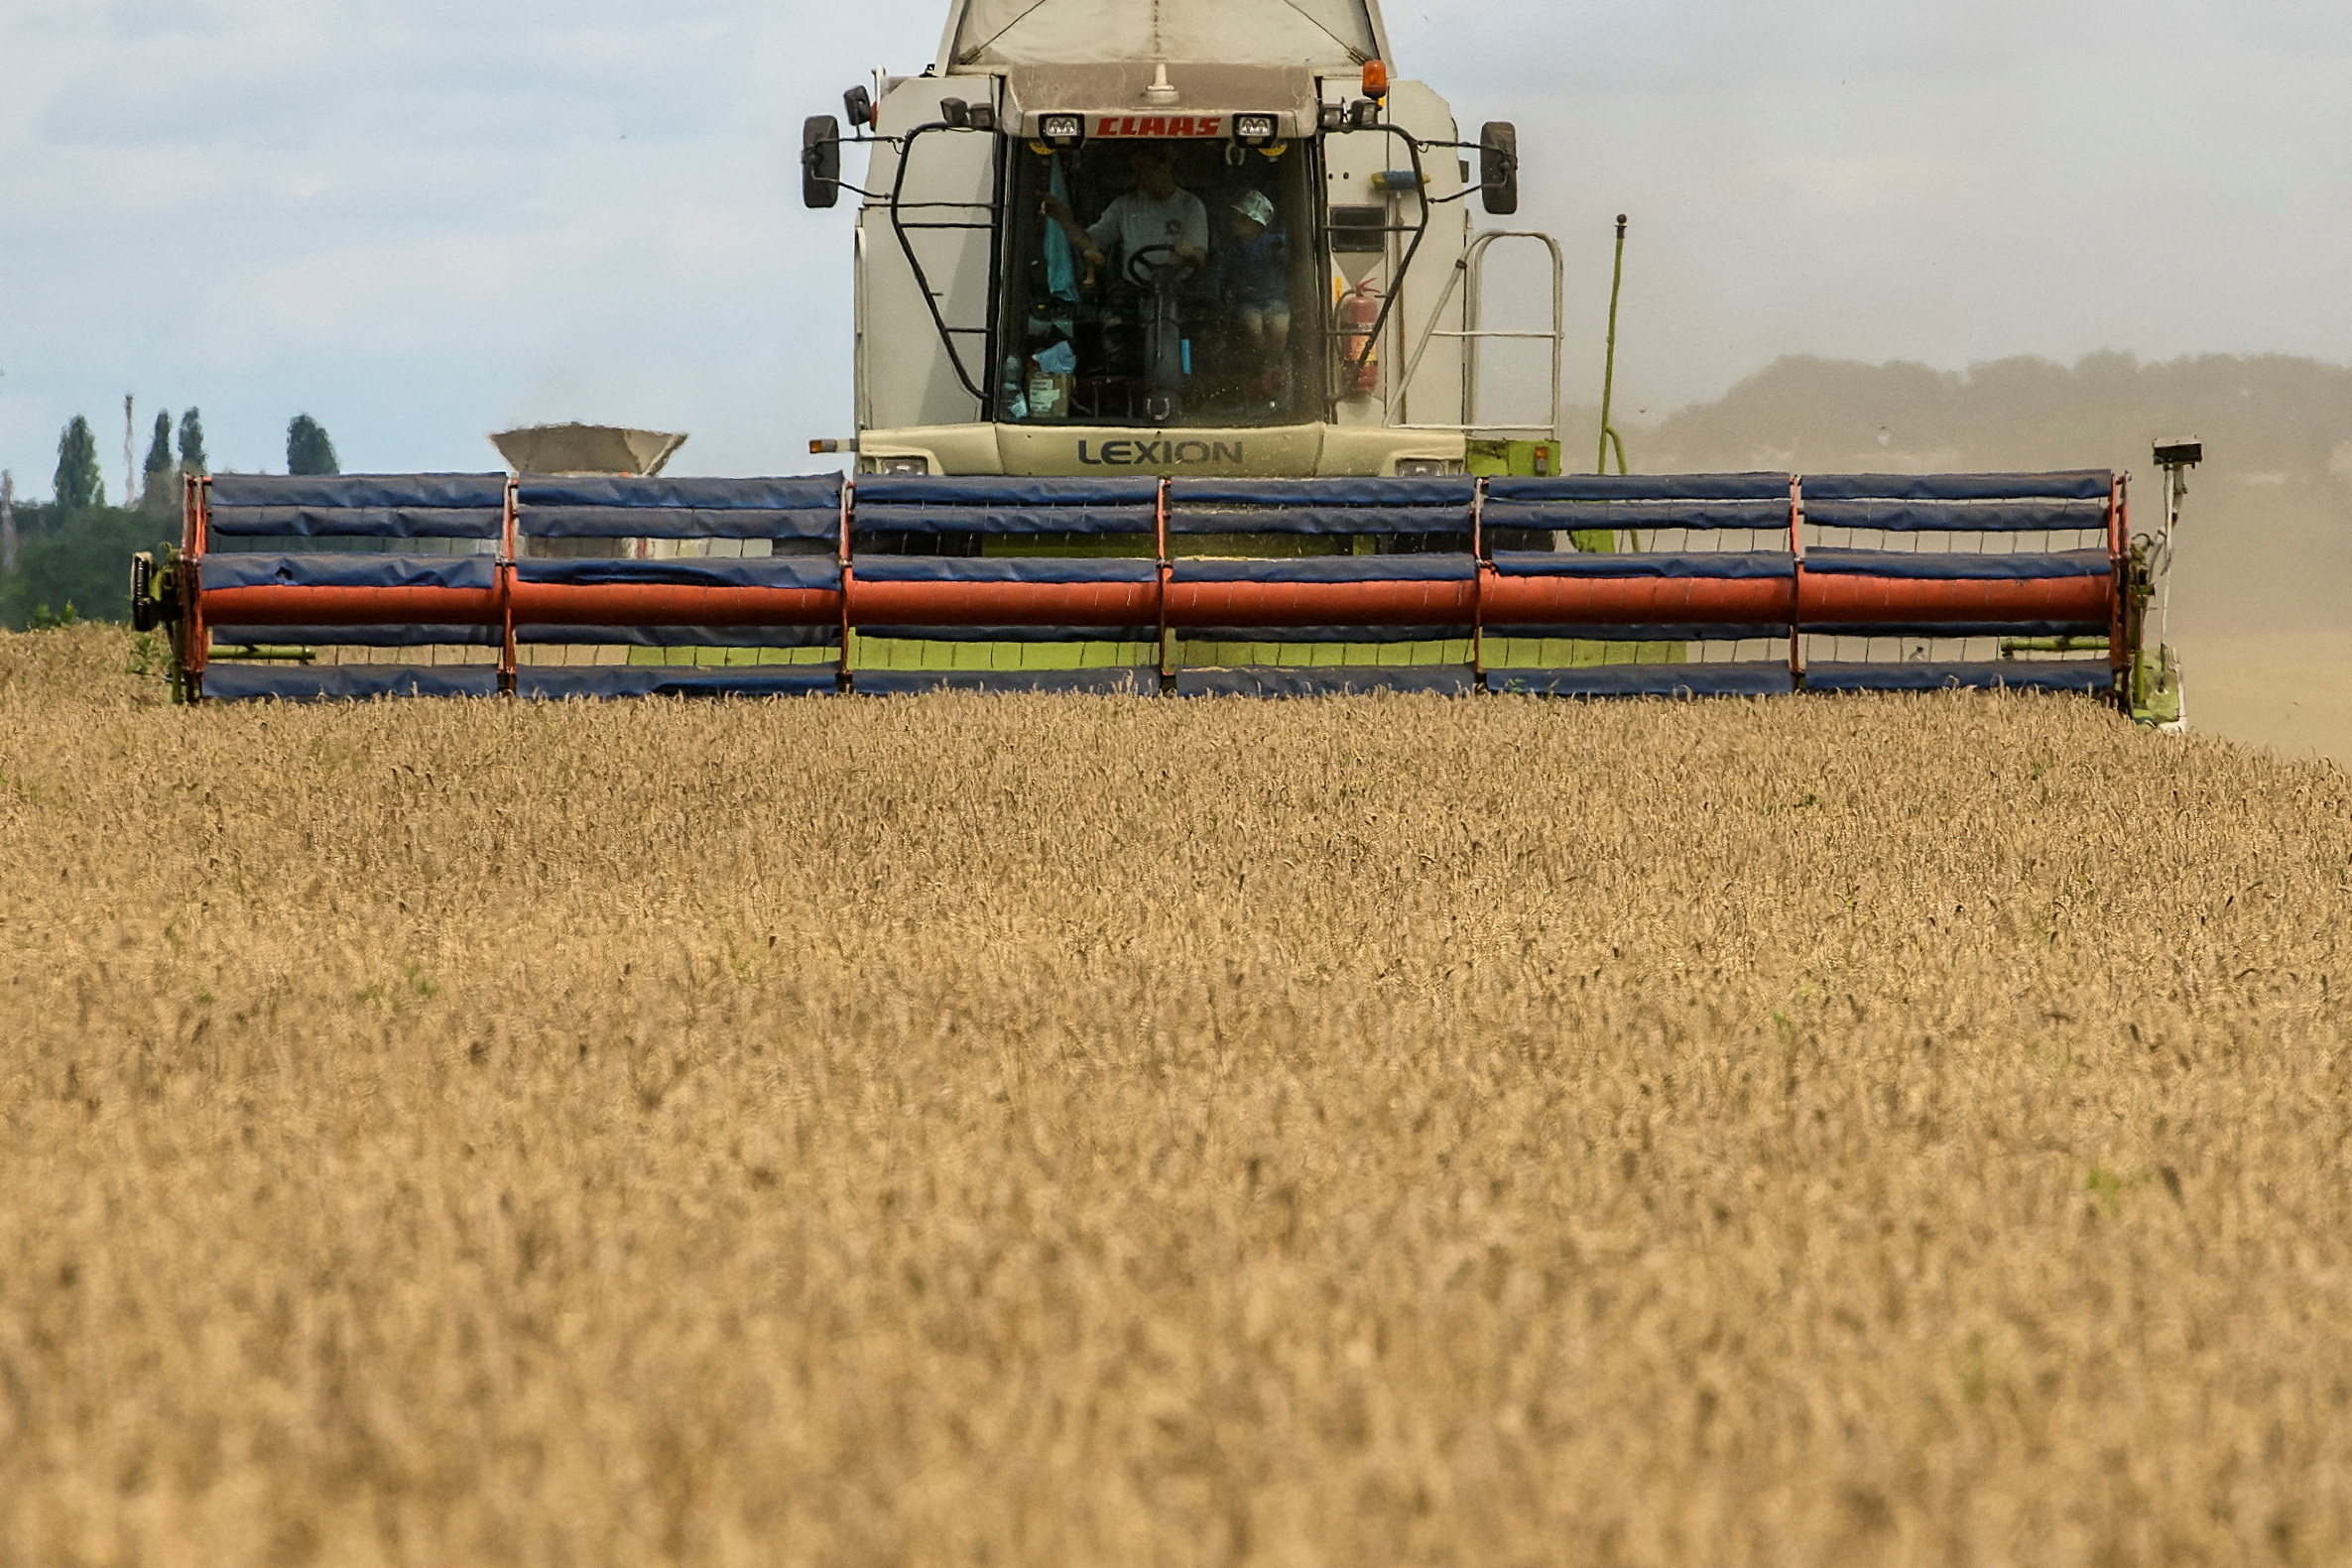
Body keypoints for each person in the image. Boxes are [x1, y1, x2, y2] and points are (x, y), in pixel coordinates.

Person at [1041, 145, 1207, 284]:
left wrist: (1189, 252)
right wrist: (1063, 218)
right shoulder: (1124, 206)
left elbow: (1200, 256)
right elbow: (1089, 242)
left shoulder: (1190, 206)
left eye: (1143, 169)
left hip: (1181, 292)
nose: (1139, 177)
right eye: (1135, 170)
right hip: (1133, 294)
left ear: (1165, 165)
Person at [1208, 188, 1290, 394]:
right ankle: (1265, 365)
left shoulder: (1273, 244)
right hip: (1246, 301)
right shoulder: (1230, 248)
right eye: (1236, 217)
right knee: (1253, 327)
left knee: (1280, 327)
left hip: (1274, 299)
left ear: (1258, 225)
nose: (1236, 221)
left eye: (1243, 219)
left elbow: (1290, 255)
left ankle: (1272, 365)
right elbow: (1218, 273)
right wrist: (1216, 296)